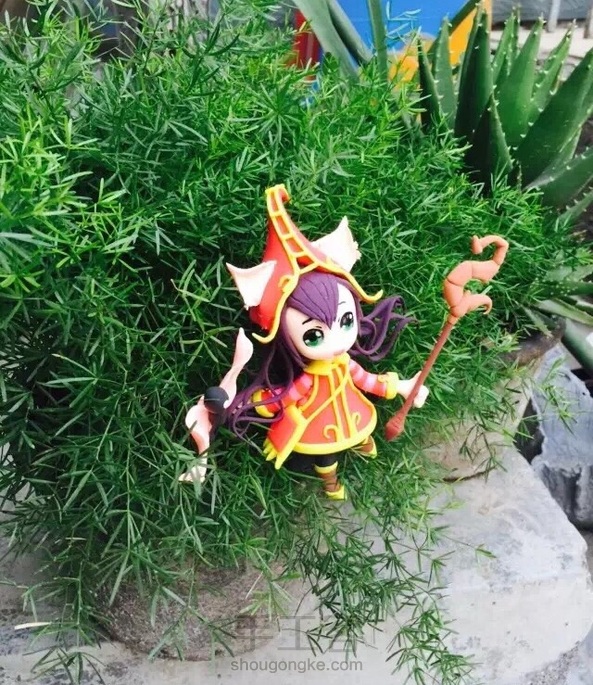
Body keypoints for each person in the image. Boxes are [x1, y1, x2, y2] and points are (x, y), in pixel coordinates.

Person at [185, 184, 428, 499]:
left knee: (361, 430)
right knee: (326, 458)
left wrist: (404, 386)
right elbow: (286, 398)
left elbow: (368, 380)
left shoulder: (345, 364)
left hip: (352, 413)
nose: (337, 340)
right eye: (314, 335)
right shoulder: (308, 380)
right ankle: (331, 484)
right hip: (319, 424)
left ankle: (363, 443)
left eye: (346, 321)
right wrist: (252, 402)